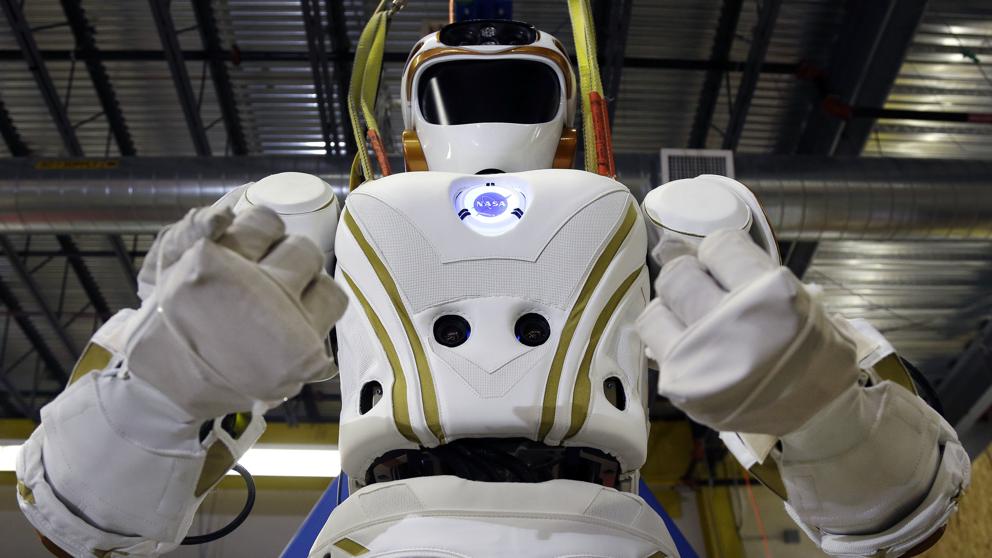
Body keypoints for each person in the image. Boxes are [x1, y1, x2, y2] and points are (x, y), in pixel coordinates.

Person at [15, 18, 968, 558]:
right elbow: (79, 520)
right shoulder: (305, 218)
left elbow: (906, 515)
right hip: (425, 521)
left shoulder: (674, 224)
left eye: (514, 86)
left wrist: (823, 414)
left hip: (554, 521)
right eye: (460, 86)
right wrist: (163, 391)